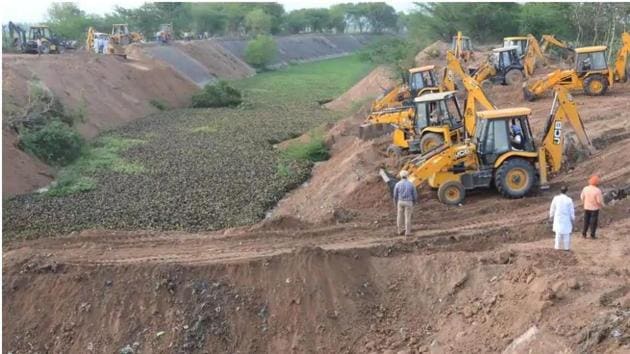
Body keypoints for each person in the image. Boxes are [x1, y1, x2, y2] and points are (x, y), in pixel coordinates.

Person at [549, 186, 575, 251]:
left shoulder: (556, 198)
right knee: (566, 233)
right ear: (566, 191)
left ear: (560, 191)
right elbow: (571, 210)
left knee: (558, 233)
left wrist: (551, 216)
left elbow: (552, 208)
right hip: (566, 218)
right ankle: (566, 248)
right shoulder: (569, 200)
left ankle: (557, 247)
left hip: (558, 217)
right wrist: (573, 218)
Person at [393, 170, 418, 236]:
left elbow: (395, 195)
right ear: (407, 176)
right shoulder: (411, 184)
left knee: (399, 216)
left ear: (401, 176)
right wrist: (414, 202)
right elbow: (415, 195)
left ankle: (399, 230)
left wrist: (395, 202)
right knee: (408, 217)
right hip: (409, 202)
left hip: (400, 201)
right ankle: (407, 232)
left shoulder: (397, 184)